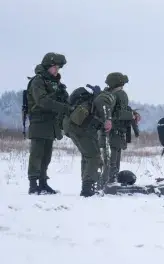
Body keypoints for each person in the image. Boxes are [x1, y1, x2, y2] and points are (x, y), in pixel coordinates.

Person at [25, 52, 71, 195]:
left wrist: (65, 99)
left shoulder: (56, 83)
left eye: (58, 68)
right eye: (55, 67)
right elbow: (42, 101)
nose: (57, 70)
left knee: (47, 155)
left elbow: (62, 100)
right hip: (39, 122)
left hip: (51, 123)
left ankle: (43, 183)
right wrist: (62, 106)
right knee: (36, 154)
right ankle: (33, 184)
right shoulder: (38, 81)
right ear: (47, 66)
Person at [62, 86, 116, 197]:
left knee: (88, 156)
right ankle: (88, 189)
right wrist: (108, 120)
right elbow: (101, 102)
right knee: (94, 157)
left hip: (73, 127)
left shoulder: (92, 99)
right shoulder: (106, 96)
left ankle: (87, 185)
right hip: (81, 129)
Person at [98, 72, 141, 184]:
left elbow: (122, 109)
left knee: (110, 162)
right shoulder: (119, 94)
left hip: (110, 134)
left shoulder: (107, 95)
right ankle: (107, 185)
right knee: (112, 163)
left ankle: (108, 183)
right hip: (113, 133)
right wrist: (131, 115)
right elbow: (117, 114)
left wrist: (133, 113)